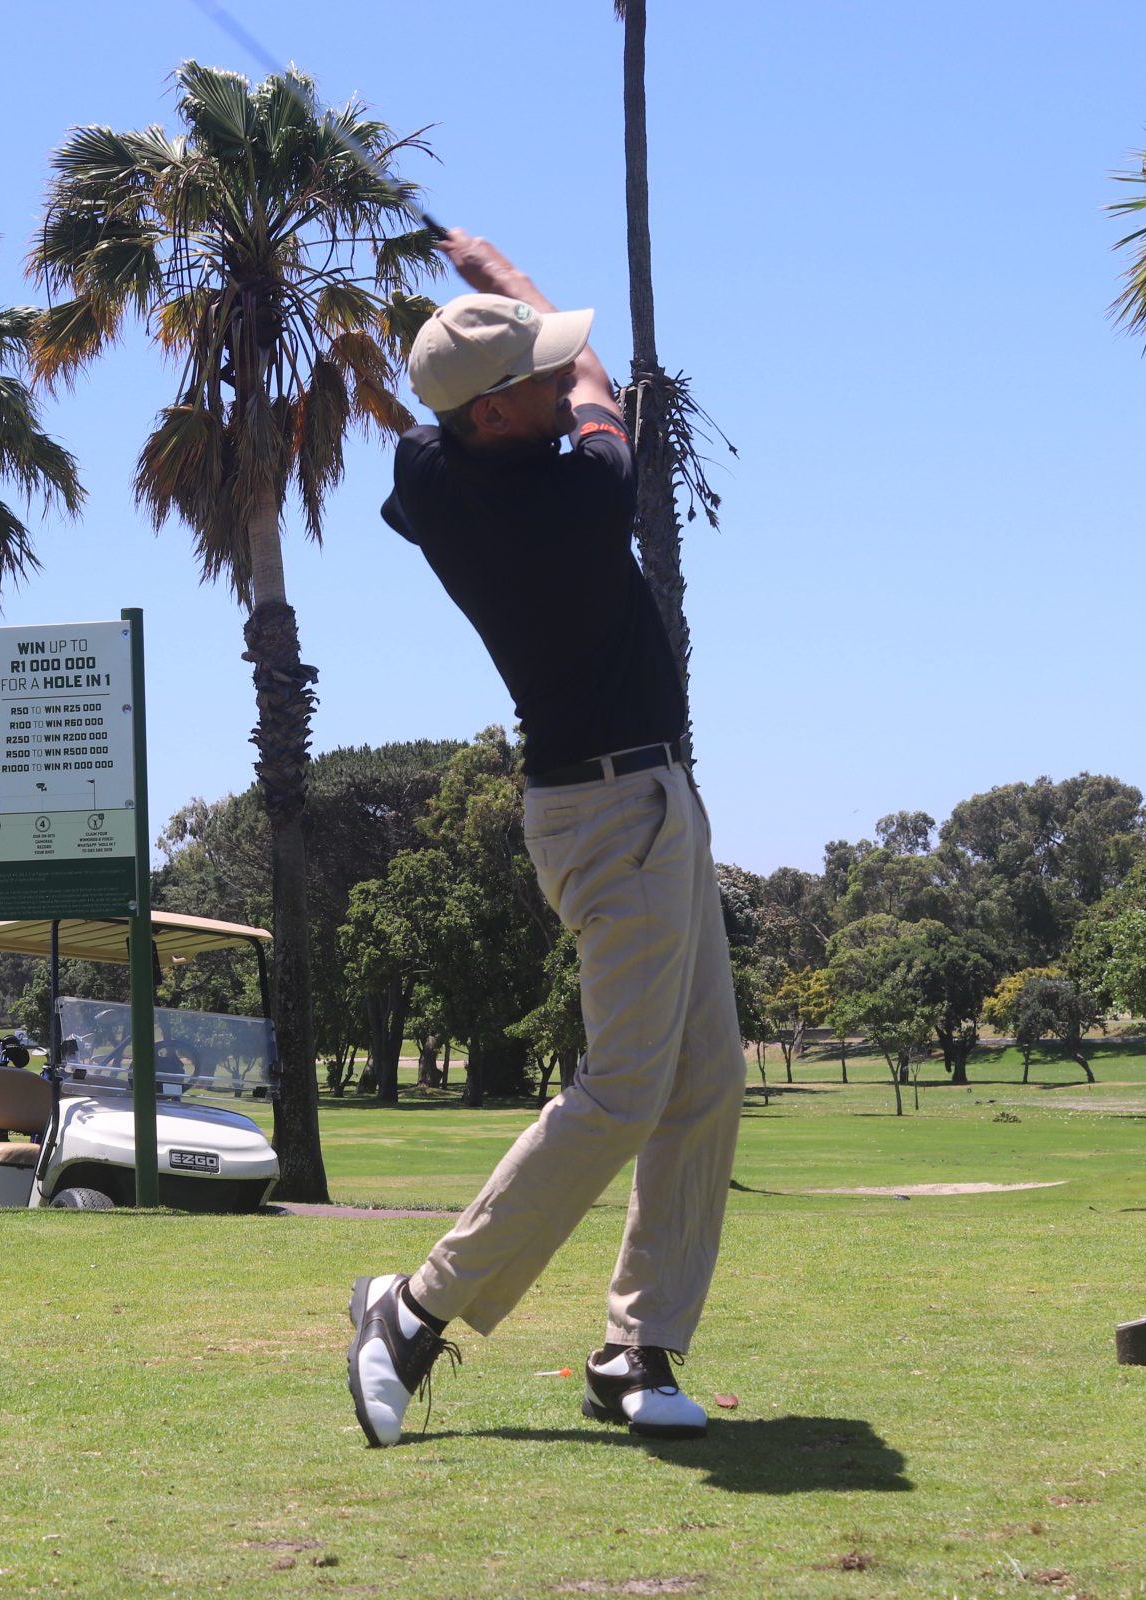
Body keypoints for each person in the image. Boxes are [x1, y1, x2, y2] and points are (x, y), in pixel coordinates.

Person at [345, 231, 746, 1449]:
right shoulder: (578, 502)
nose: (557, 379)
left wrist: (498, 325)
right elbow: (596, 386)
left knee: (705, 1075)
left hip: (633, 803)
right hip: (617, 811)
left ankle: (635, 1350)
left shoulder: (430, 471)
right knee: (622, 1090)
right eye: (534, 374)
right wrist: (508, 280)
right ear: (498, 413)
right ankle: (414, 1311)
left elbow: (525, 396)